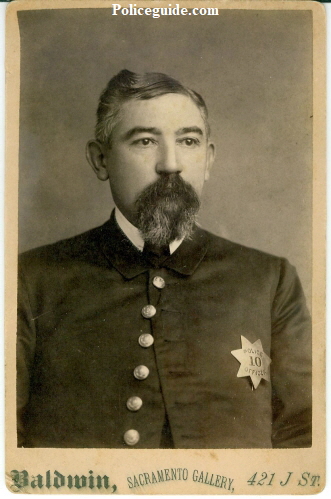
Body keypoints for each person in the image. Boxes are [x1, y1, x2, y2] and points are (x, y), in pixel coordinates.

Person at [17, 69, 312, 449]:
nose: (171, 164)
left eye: (188, 141)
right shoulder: (30, 280)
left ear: (207, 159)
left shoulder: (270, 281)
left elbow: (305, 438)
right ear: (100, 160)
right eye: (144, 141)